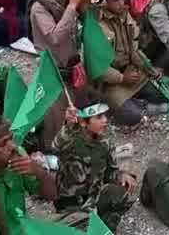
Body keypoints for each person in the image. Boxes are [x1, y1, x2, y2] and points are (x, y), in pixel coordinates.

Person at [52, 87, 136, 230]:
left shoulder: (105, 139)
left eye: (105, 115)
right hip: (72, 205)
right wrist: (68, 125)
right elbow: (56, 147)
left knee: (125, 191)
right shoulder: (71, 140)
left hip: (93, 197)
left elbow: (111, 170)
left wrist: (122, 175)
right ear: (83, 122)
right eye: (99, 117)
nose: (105, 120)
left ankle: (104, 222)